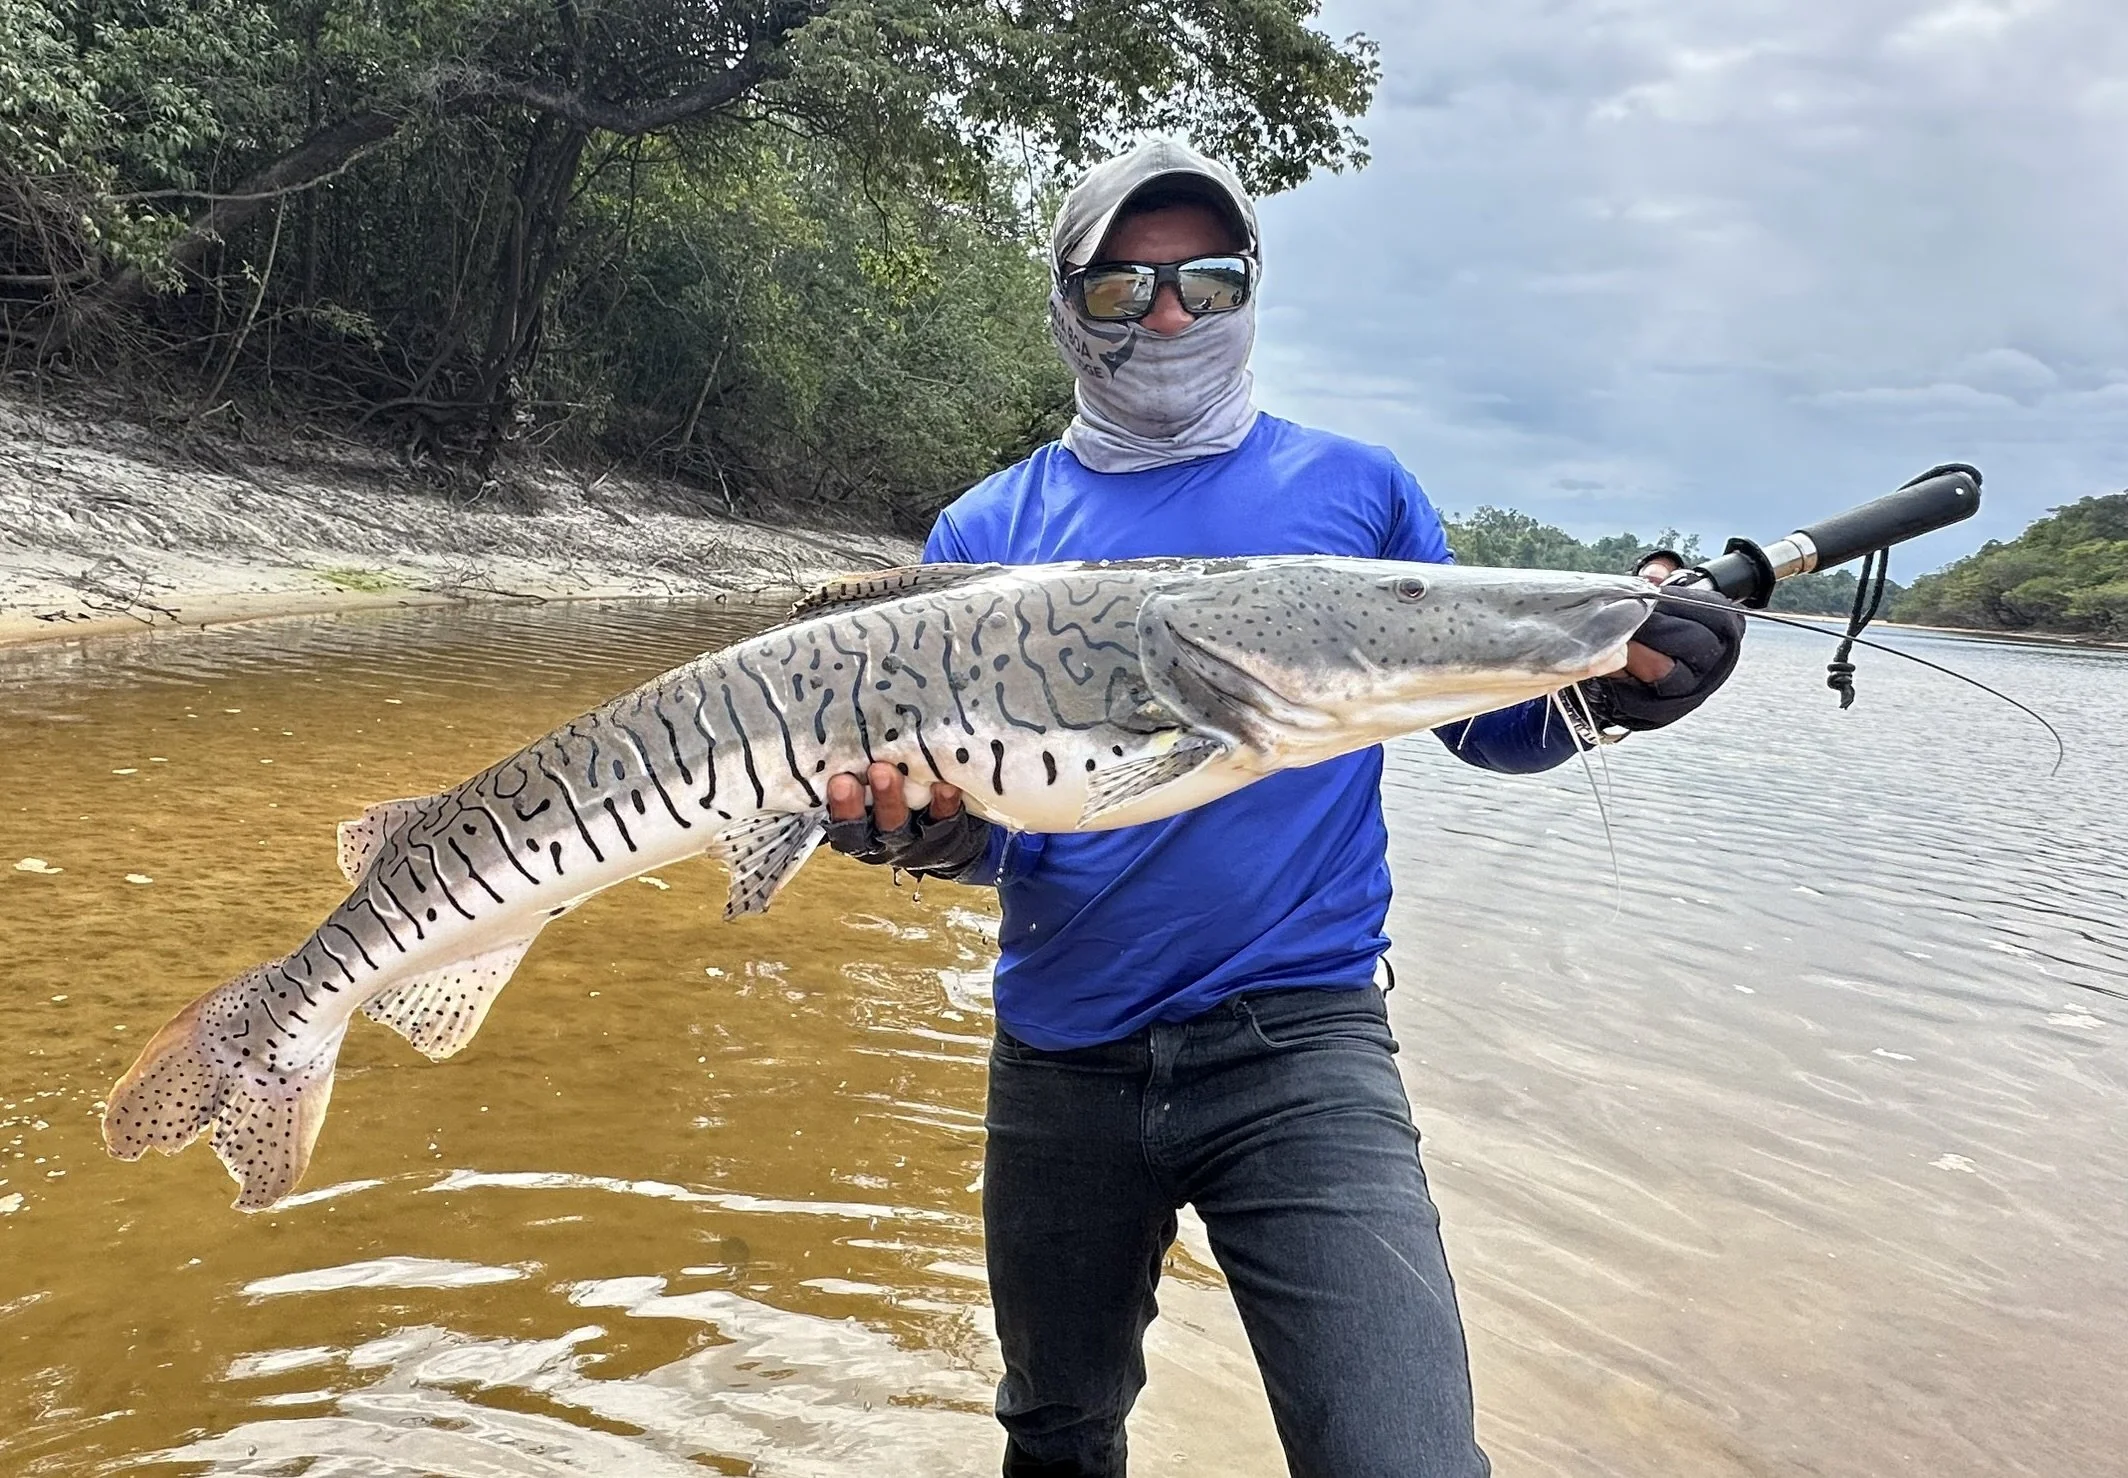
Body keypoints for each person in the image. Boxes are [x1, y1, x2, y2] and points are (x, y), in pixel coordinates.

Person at [820, 139, 1744, 1478]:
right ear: (1067, 303)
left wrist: (1625, 684)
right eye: (1125, 288)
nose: (1172, 313)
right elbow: (998, 825)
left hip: (1301, 1047)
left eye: (1205, 277)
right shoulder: (983, 533)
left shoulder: (1355, 492)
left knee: (1403, 1454)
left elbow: (1485, 719)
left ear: (1252, 285)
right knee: (1056, 1428)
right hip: (1064, 1049)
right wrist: (913, 830)